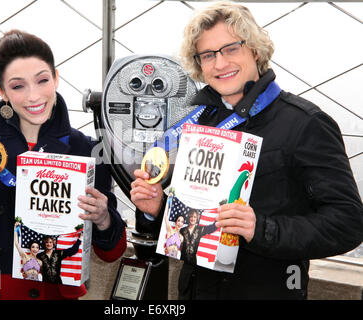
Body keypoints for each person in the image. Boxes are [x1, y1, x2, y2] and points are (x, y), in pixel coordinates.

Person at [130, 1, 363, 299]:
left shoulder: (305, 123)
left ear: (254, 49)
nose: (220, 63)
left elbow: (348, 224)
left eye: (231, 48)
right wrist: (158, 208)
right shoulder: (197, 124)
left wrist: (261, 228)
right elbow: (193, 220)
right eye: (208, 55)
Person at [0, 30, 127, 300]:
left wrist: (103, 218)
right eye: (18, 86)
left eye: (42, 80)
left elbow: (111, 253)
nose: (34, 96)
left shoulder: (87, 150)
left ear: (56, 78)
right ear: (2, 92)